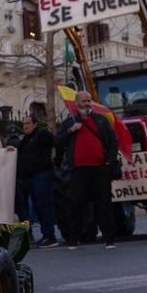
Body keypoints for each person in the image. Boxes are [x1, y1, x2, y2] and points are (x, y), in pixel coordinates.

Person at [54, 90, 119, 250]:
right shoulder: (70, 122)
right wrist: (71, 131)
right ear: (76, 103)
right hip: (78, 170)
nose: (87, 103)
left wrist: (109, 162)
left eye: (89, 100)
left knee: (104, 204)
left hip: (100, 169)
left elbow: (113, 142)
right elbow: (58, 142)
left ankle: (109, 239)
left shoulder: (101, 120)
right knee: (75, 204)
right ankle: (73, 239)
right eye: (84, 101)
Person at [15, 113, 60, 248]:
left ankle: (49, 236)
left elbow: (55, 142)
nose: (25, 126)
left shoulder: (42, 134)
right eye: (24, 124)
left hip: (41, 175)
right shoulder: (25, 139)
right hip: (28, 177)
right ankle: (43, 235)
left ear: (35, 124)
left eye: (28, 123)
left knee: (43, 205)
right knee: (35, 206)